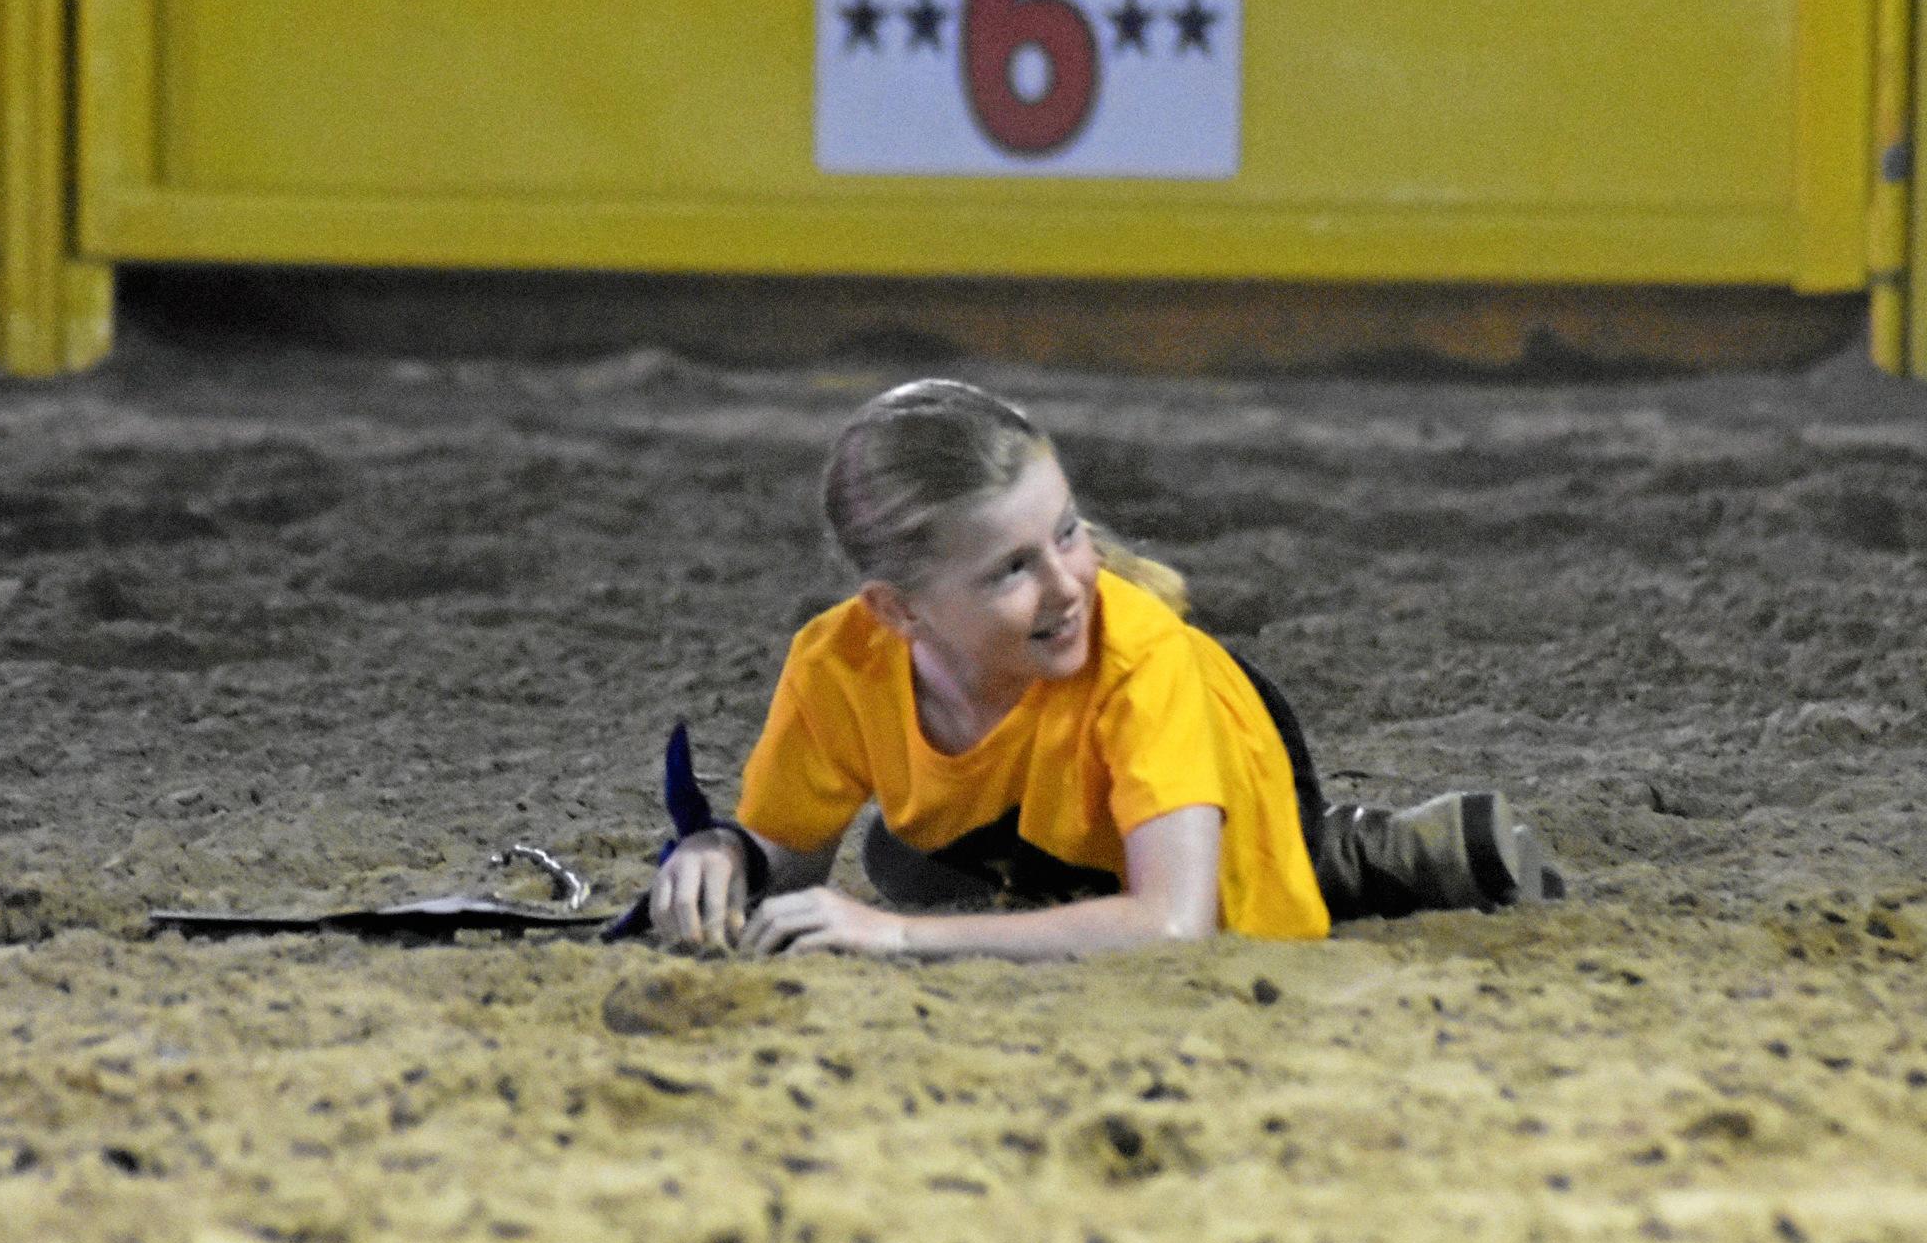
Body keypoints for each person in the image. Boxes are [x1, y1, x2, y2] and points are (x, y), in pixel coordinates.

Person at [649, 379, 1562, 959]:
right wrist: (721, 854)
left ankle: (1366, 848)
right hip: (1032, 828)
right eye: (1011, 567)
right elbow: (790, 869)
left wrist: (893, 936)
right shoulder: (838, 662)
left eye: (1067, 532)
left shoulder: (1138, 654)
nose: (1067, 583)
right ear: (896, 609)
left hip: (1228, 747)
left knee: (1270, 884)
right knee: (903, 855)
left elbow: (1173, 923)